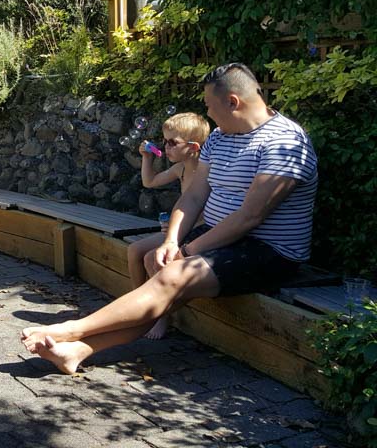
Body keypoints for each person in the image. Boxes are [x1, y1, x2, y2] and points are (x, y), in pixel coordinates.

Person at [21, 63, 318, 374]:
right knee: (156, 260)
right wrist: (172, 241)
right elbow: (193, 196)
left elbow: (249, 217)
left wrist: (187, 251)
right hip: (220, 236)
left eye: (210, 105)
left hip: (270, 251)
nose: (208, 113)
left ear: (233, 102)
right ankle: (78, 352)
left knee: (174, 274)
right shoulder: (220, 137)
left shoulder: (285, 143)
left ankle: (70, 331)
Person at [127, 112, 211, 339]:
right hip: (180, 232)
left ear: (193, 147)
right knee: (134, 250)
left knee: (151, 258)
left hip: (198, 233)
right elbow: (149, 182)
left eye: (172, 142)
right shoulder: (180, 168)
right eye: (164, 141)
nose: (166, 147)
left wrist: (174, 230)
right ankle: (138, 305)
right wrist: (147, 158)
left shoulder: (208, 171)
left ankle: (159, 315)